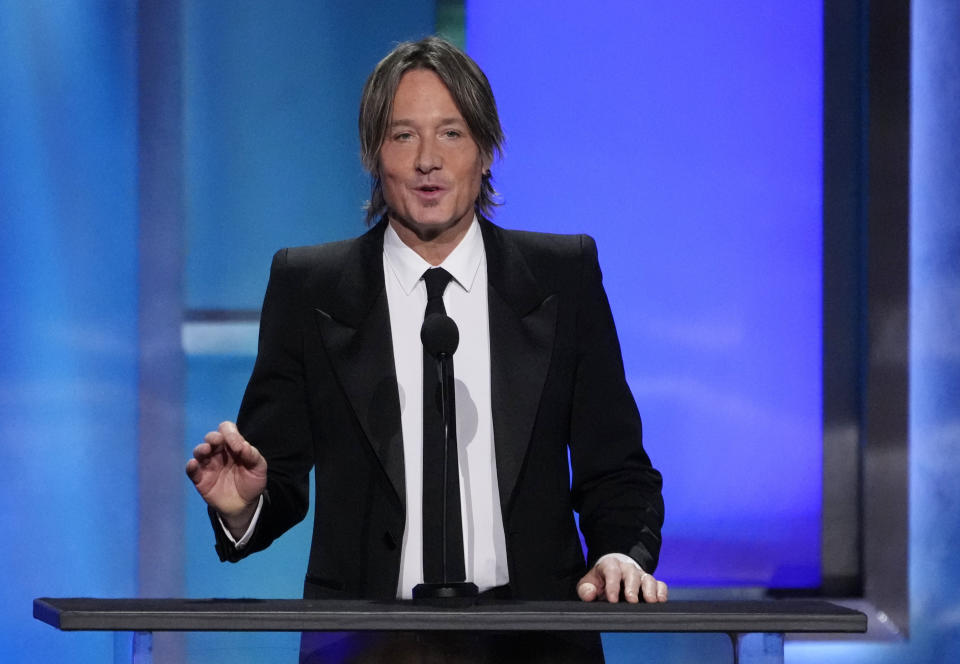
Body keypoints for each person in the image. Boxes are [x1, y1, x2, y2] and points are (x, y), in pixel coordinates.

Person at [186, 36, 666, 661]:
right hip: (364, 643)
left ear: (488, 150)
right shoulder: (310, 286)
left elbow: (616, 467)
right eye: (403, 135)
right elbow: (274, 471)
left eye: (452, 134)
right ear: (372, 153)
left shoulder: (562, 277)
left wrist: (619, 552)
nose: (428, 162)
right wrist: (243, 507)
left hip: (535, 641)